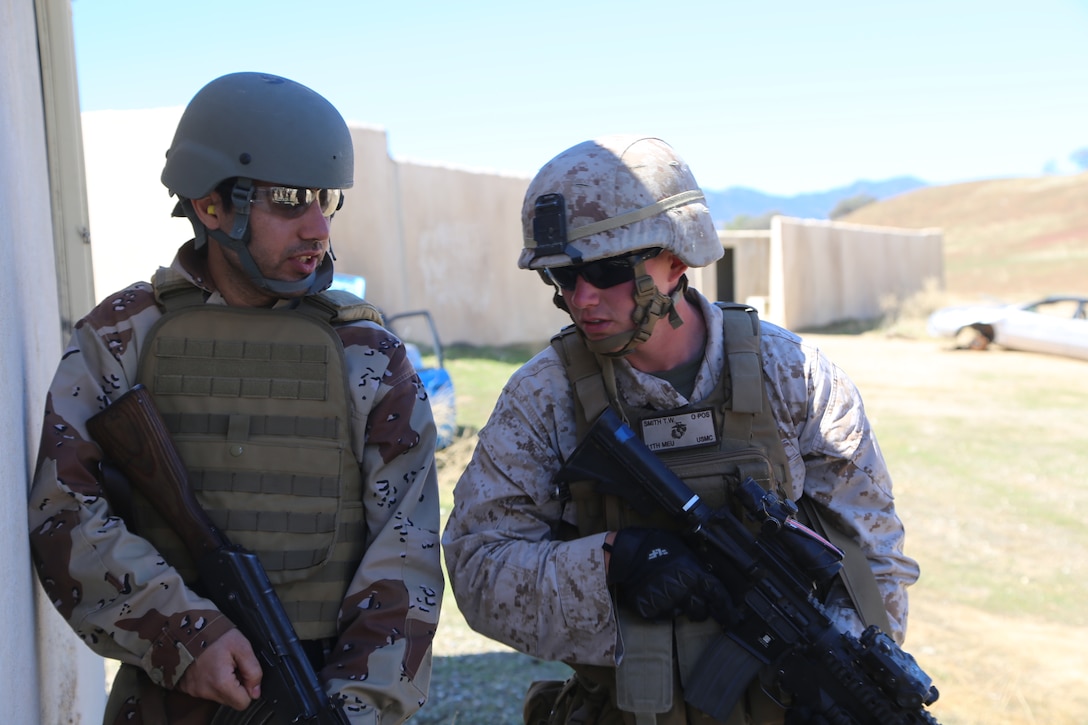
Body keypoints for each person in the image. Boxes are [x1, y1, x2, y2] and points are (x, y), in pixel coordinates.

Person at [441, 135, 920, 724]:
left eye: (608, 269)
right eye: (562, 278)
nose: (582, 297)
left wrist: (838, 682)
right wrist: (614, 561)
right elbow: (477, 569)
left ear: (678, 259)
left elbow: (874, 562)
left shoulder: (795, 378)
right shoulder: (544, 397)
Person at [28, 72, 443, 724]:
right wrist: (184, 632)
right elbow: (64, 516)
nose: (317, 229)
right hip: (169, 698)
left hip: (324, 693)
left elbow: (406, 554)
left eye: (324, 199)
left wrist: (357, 709)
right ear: (211, 204)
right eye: (287, 200)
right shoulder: (121, 337)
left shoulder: (368, 352)